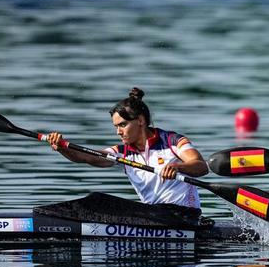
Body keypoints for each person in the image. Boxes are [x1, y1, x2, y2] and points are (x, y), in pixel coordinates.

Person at [45, 87, 208, 210]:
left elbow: (201, 166)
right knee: (98, 200)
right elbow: (86, 157)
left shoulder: (173, 141)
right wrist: (62, 147)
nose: (118, 132)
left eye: (123, 125)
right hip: (153, 216)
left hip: (185, 216)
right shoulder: (122, 153)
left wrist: (177, 167)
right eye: (116, 126)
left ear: (141, 120)